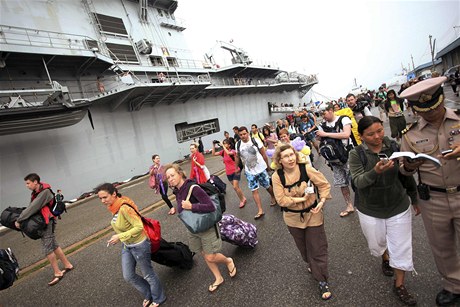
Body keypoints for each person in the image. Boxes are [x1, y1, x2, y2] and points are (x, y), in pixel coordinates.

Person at [399, 76, 460, 306]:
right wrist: (409, 166)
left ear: (441, 99)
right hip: (433, 198)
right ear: (416, 110)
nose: (431, 114)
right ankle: (454, 286)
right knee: (442, 247)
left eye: (433, 108)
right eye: (424, 110)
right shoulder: (409, 134)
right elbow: (404, 170)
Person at [348, 116, 419, 306]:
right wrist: (375, 171)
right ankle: (385, 256)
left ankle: (399, 285)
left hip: (398, 204)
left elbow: (405, 176)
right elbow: (358, 182)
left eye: (380, 131)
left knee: (401, 246)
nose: (377, 136)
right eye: (371, 134)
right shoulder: (356, 154)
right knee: (378, 242)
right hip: (370, 208)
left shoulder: (393, 147)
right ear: (361, 136)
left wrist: (414, 197)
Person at [272, 144, 333, 300]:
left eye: (292, 154)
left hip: (313, 214)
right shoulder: (277, 176)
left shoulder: (306, 169)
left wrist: (322, 201)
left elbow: (324, 184)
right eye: (286, 156)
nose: (291, 158)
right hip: (292, 218)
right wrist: (301, 199)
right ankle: (311, 264)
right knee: (304, 248)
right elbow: (281, 200)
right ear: (280, 159)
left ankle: (322, 280)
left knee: (317, 247)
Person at [164, 164, 237, 292]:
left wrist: (191, 206)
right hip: (193, 228)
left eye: (172, 175)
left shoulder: (193, 188)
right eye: (168, 177)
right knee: (204, 253)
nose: (170, 179)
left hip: (205, 227)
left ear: (180, 174)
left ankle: (228, 261)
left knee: (210, 256)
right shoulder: (177, 191)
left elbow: (210, 206)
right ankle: (218, 278)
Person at [96, 183, 166, 307]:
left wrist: (119, 236)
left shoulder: (124, 208)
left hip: (139, 245)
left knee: (148, 275)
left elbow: (138, 226)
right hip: (127, 245)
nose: (102, 201)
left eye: (105, 197)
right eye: (100, 198)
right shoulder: (114, 207)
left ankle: (158, 298)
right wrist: (121, 237)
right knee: (128, 276)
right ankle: (148, 293)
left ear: (114, 194)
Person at [14, 173, 74, 286]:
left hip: (47, 222)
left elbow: (32, 207)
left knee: (48, 248)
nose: (27, 186)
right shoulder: (38, 192)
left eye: (28, 183)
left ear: (35, 182)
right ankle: (67, 265)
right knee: (54, 245)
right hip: (47, 220)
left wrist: (19, 219)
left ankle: (57, 273)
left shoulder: (44, 193)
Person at [315, 103, 355, 217]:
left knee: (355, 180)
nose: (323, 116)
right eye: (321, 114)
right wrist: (319, 137)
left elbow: (347, 134)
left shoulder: (344, 119)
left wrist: (325, 134)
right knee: (341, 182)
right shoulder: (323, 125)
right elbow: (320, 141)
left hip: (347, 155)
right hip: (334, 159)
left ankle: (363, 203)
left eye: (324, 113)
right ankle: (349, 205)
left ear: (331, 110)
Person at [235, 126, 276, 219]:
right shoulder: (238, 144)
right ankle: (260, 210)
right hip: (249, 171)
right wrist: (236, 167)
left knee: (267, 186)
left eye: (244, 134)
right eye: (240, 135)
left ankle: (273, 196)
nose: (243, 136)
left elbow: (263, 154)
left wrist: (268, 167)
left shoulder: (255, 141)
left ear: (247, 133)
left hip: (261, 168)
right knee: (254, 190)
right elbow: (237, 156)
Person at [212, 139, 247, 208]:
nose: (224, 145)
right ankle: (243, 197)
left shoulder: (233, 151)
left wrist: (222, 145)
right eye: (223, 144)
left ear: (229, 145)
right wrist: (213, 145)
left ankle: (242, 200)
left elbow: (228, 153)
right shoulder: (222, 152)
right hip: (228, 173)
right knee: (236, 188)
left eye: (225, 144)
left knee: (235, 186)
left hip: (235, 171)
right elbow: (213, 154)